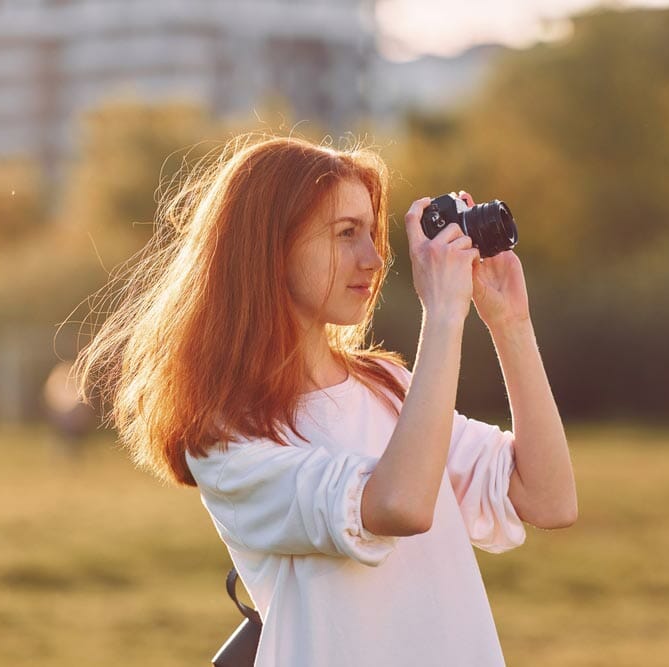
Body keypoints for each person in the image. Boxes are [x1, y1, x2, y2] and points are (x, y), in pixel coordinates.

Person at [71, 132, 577, 666]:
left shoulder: (388, 386)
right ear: (271, 246)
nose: (375, 259)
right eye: (346, 233)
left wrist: (510, 323)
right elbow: (397, 505)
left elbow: (549, 500)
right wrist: (444, 315)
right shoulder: (227, 439)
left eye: (371, 233)